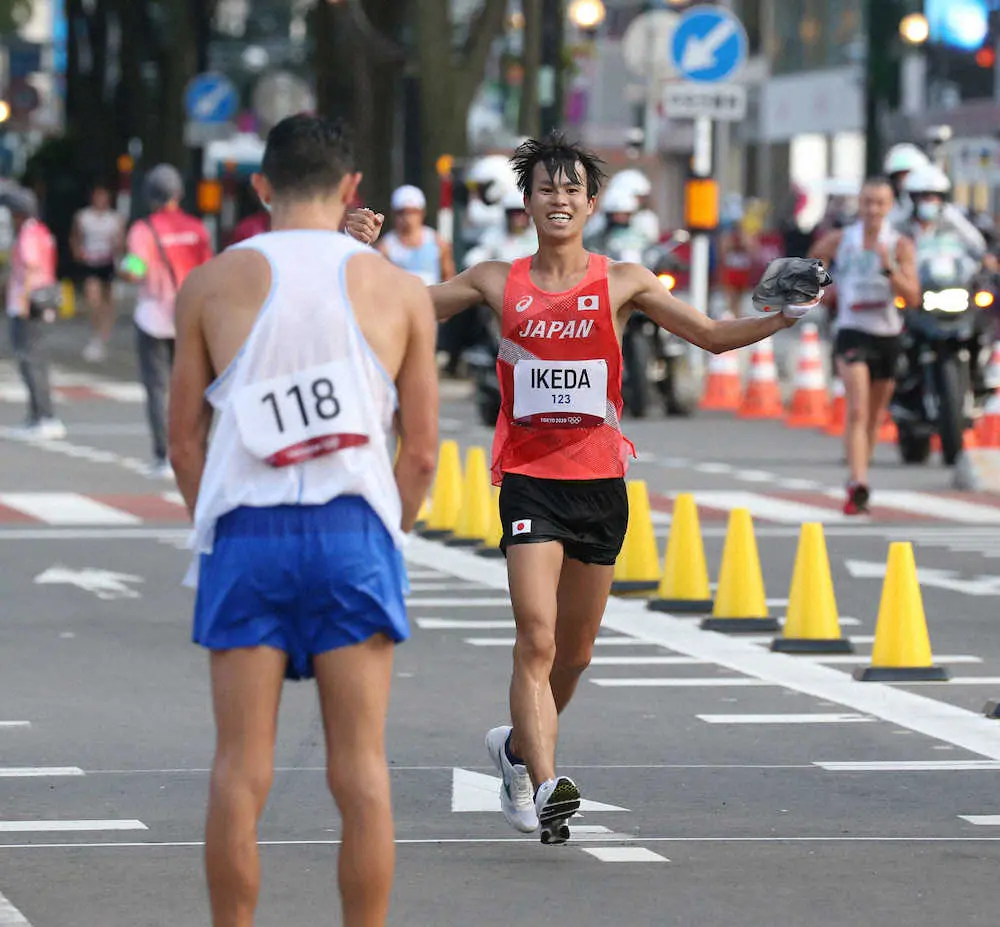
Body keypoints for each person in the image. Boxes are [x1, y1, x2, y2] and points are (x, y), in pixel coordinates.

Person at [423, 133, 820, 845]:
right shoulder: (493, 279)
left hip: (601, 483)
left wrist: (784, 316)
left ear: (593, 202)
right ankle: (546, 787)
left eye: (572, 189)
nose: (559, 199)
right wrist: (347, 255)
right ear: (528, 200)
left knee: (574, 655)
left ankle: (515, 748)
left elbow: (715, 336)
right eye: (546, 187)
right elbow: (406, 308)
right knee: (535, 638)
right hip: (528, 483)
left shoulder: (625, 281)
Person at [168, 114, 439, 927]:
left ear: (261, 187)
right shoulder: (398, 289)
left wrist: (216, 515)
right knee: (360, 771)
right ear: (353, 189)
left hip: (247, 534)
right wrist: (385, 531)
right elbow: (421, 452)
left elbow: (184, 441)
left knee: (240, 768)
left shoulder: (211, 283)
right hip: (354, 530)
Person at [809, 177, 921, 514]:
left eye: (880, 203)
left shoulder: (899, 244)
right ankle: (858, 482)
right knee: (857, 409)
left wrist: (889, 270)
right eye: (867, 202)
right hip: (852, 329)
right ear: (859, 204)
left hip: (886, 334)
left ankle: (860, 474)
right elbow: (814, 260)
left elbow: (913, 297)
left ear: (890, 207)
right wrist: (824, 290)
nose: (873, 209)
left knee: (874, 417)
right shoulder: (844, 239)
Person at [120, 164, 214, 478]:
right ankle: (198, 449)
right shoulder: (196, 228)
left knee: (157, 388)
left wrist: (124, 268)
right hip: (189, 317)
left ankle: (164, 455)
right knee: (192, 387)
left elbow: (135, 269)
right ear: (179, 193)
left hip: (153, 318)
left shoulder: (143, 230)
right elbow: (208, 269)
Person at [3, 185, 65, 440]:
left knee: (31, 362)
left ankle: (42, 415)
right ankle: (38, 415)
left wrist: (25, 301)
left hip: (28, 304)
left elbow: (28, 267)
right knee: (35, 360)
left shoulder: (27, 234)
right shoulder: (42, 232)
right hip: (44, 300)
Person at [71, 182, 125, 363]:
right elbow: (76, 238)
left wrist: (117, 245)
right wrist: (78, 252)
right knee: (93, 300)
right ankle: (95, 334)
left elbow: (122, 244)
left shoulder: (115, 219)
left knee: (107, 303)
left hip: (107, 262)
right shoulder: (83, 217)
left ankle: (102, 338)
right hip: (91, 262)